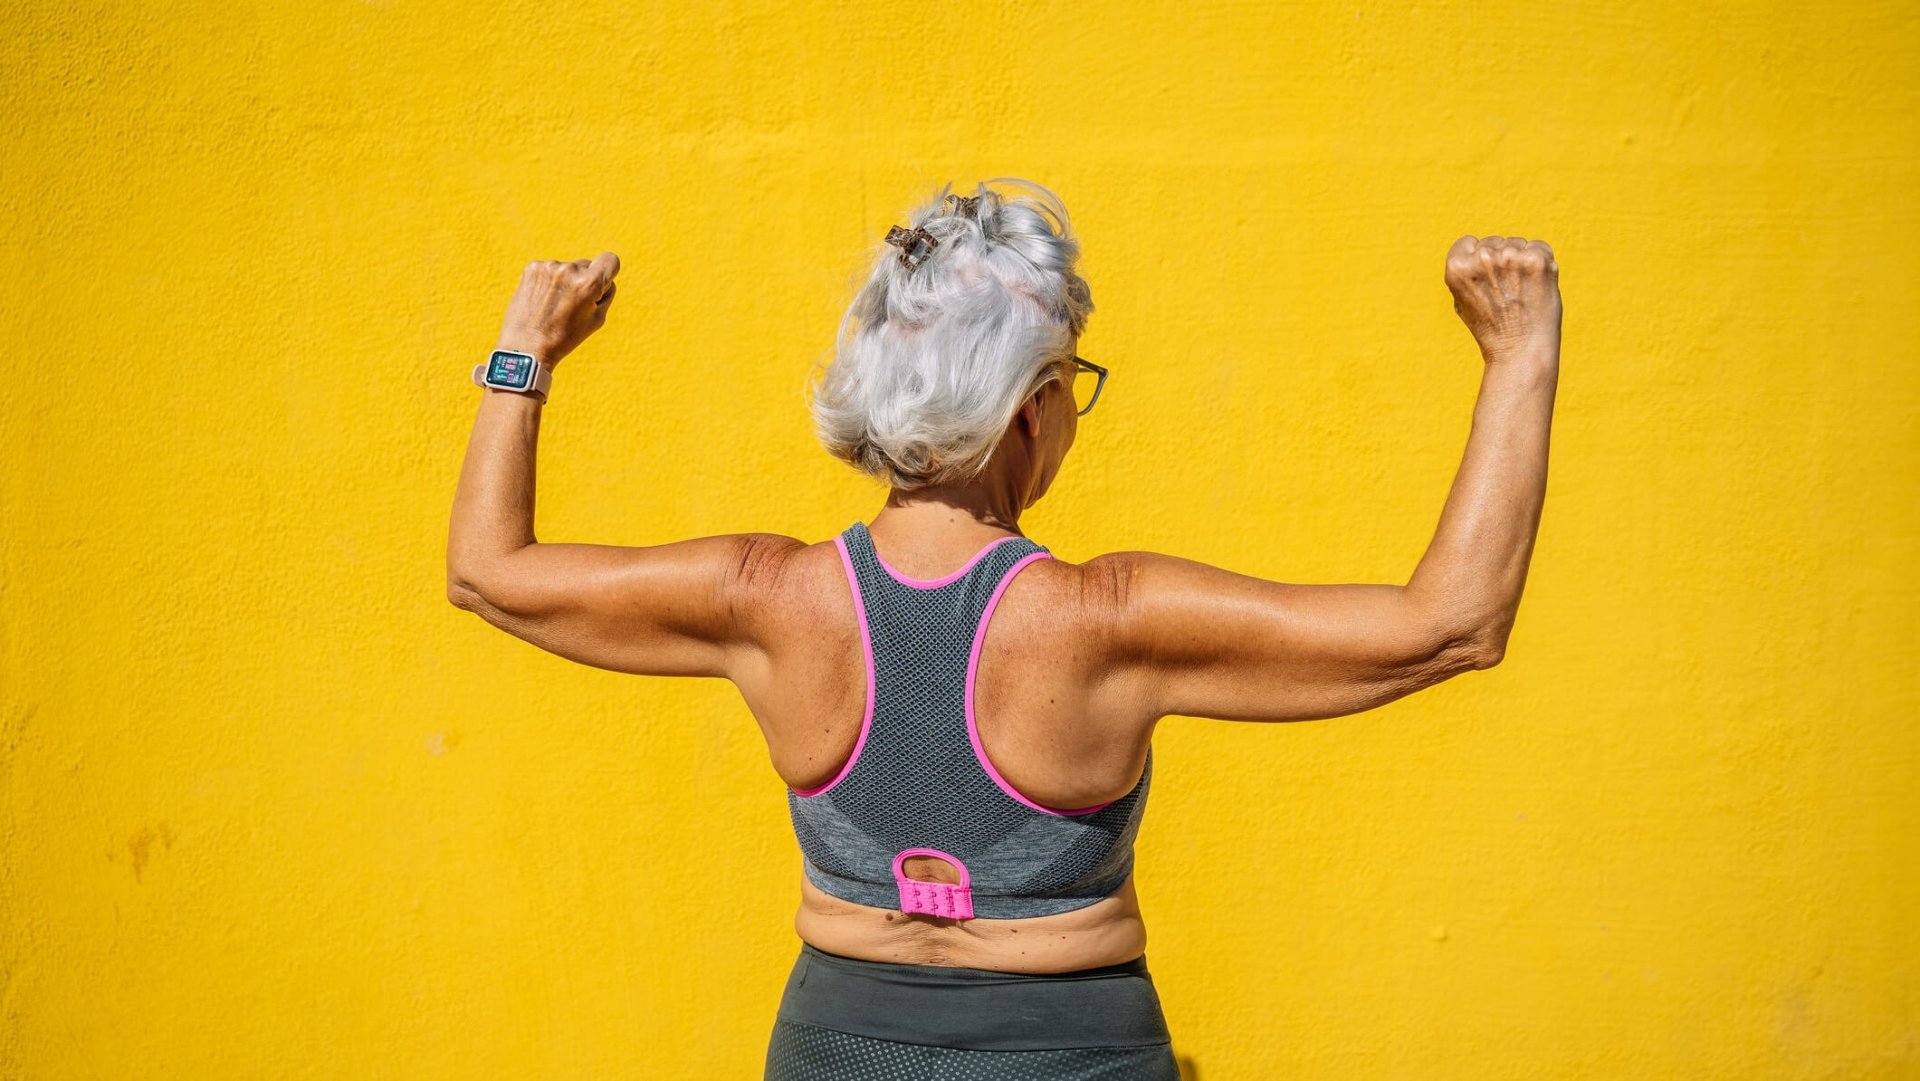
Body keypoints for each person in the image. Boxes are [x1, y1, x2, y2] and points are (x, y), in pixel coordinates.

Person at [445, 178, 1562, 1079]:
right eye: (1075, 385)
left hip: (835, 1048)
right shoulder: (1106, 621)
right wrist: (1518, 353)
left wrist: (526, 350)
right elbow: (1451, 626)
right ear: (1031, 407)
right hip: (1067, 1053)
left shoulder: (766, 599)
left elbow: (488, 573)